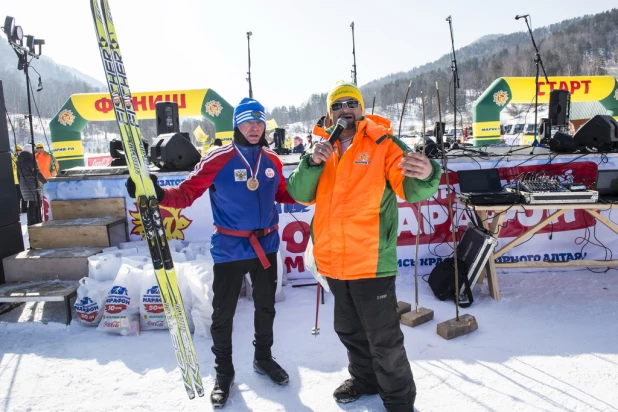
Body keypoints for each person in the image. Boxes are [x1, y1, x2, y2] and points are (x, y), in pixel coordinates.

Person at [126, 97, 295, 408]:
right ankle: (224, 373)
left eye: (259, 122)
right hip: (231, 248)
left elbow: (284, 194)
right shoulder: (218, 157)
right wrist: (158, 193)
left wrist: (313, 186)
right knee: (223, 315)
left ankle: (263, 359)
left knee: (266, 308)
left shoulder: (271, 159)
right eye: (248, 122)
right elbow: (187, 193)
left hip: (266, 247)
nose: (254, 127)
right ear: (237, 125)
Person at [287, 81, 441, 411]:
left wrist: (428, 174)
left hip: (370, 262)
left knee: (383, 340)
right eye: (337, 106)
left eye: (351, 104)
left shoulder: (383, 144)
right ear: (329, 116)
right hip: (333, 262)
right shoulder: (320, 150)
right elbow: (300, 193)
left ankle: (399, 401)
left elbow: (411, 188)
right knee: (348, 330)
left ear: (361, 110)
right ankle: (365, 379)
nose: (345, 110)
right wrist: (312, 162)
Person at [18, 144, 46, 226]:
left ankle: (31, 221)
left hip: (23, 183)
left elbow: (18, 175)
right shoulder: (31, 160)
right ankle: (35, 221)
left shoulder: (19, 160)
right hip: (32, 183)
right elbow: (37, 173)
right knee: (35, 203)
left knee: (32, 202)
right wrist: (45, 182)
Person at [12, 144, 26, 213]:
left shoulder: (23, 158)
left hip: (22, 179)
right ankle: (17, 210)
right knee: (17, 196)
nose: (18, 151)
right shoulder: (12, 159)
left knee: (24, 195)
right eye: (17, 150)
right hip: (15, 181)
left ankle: (24, 209)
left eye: (19, 150)